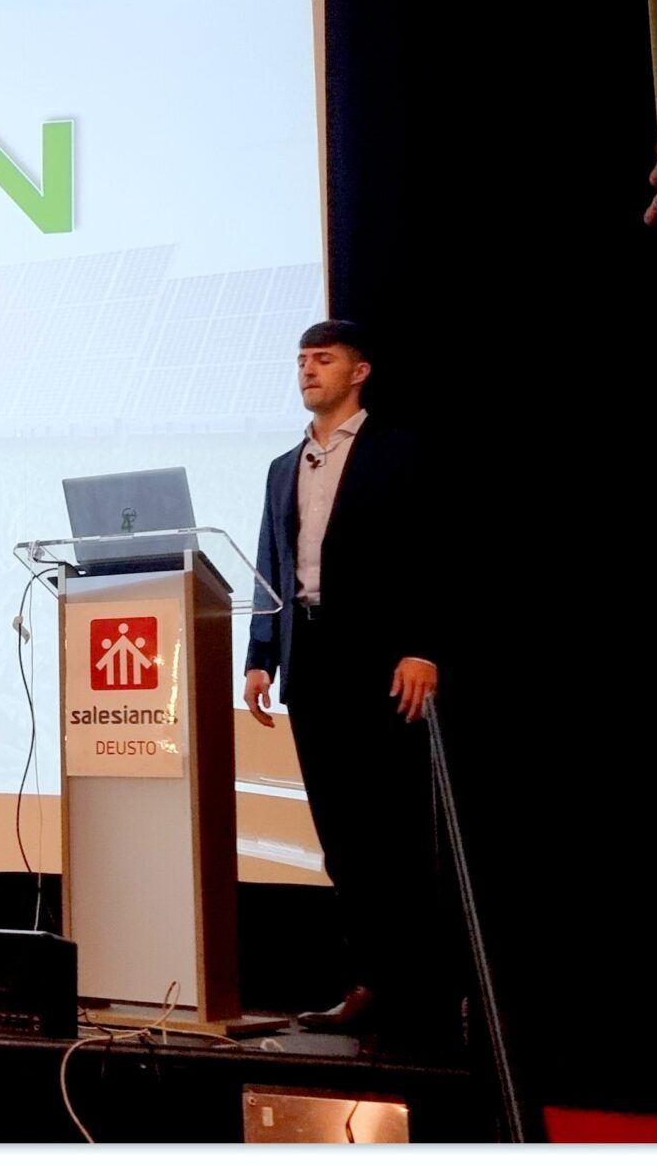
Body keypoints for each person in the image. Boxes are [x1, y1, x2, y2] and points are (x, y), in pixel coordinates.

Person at [242, 319, 446, 1039]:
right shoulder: (283, 466)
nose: (307, 370)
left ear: (358, 372)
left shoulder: (399, 449)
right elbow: (271, 561)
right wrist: (260, 655)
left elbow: (430, 551)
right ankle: (370, 982)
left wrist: (422, 646)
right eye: (301, 359)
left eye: (323, 359)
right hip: (311, 658)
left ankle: (423, 986)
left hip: (382, 662)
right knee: (341, 834)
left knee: (393, 828)